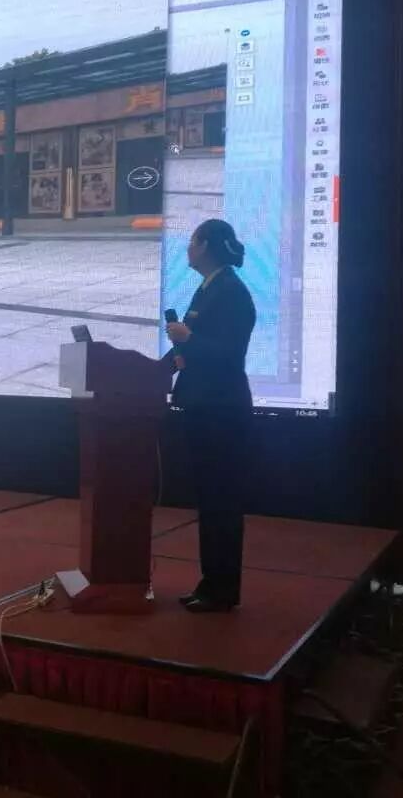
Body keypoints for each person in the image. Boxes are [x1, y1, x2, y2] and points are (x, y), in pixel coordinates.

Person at [164, 219, 256, 613]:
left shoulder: (230, 291)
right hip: (203, 407)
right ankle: (211, 584)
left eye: (191, 241)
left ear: (204, 246)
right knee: (210, 502)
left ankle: (222, 590)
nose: (187, 248)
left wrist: (189, 339)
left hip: (222, 411)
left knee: (222, 503)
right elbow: (194, 349)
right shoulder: (209, 288)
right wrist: (164, 363)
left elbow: (230, 355)